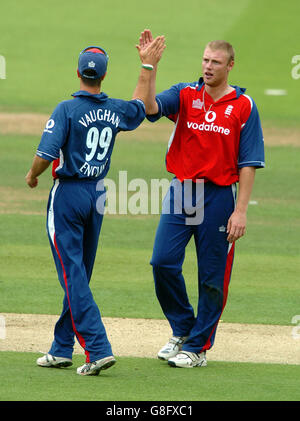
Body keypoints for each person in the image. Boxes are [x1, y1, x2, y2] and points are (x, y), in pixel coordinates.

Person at [25, 37, 166, 376]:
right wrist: (147, 66)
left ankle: (98, 348)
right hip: (97, 196)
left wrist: (31, 176)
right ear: (104, 76)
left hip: (69, 195)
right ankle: (61, 347)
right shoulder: (114, 109)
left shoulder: (66, 109)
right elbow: (142, 107)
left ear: (78, 72)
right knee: (79, 274)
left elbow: (45, 155)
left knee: (73, 274)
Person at [136, 30, 265, 368]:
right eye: (205, 60)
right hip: (183, 191)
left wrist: (240, 211)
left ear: (230, 65)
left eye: (216, 62)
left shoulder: (243, 106)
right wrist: (148, 67)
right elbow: (149, 108)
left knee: (212, 277)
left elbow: (249, 162)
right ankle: (182, 329)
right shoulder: (184, 94)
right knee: (162, 261)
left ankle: (197, 348)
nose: (208, 67)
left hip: (220, 197)